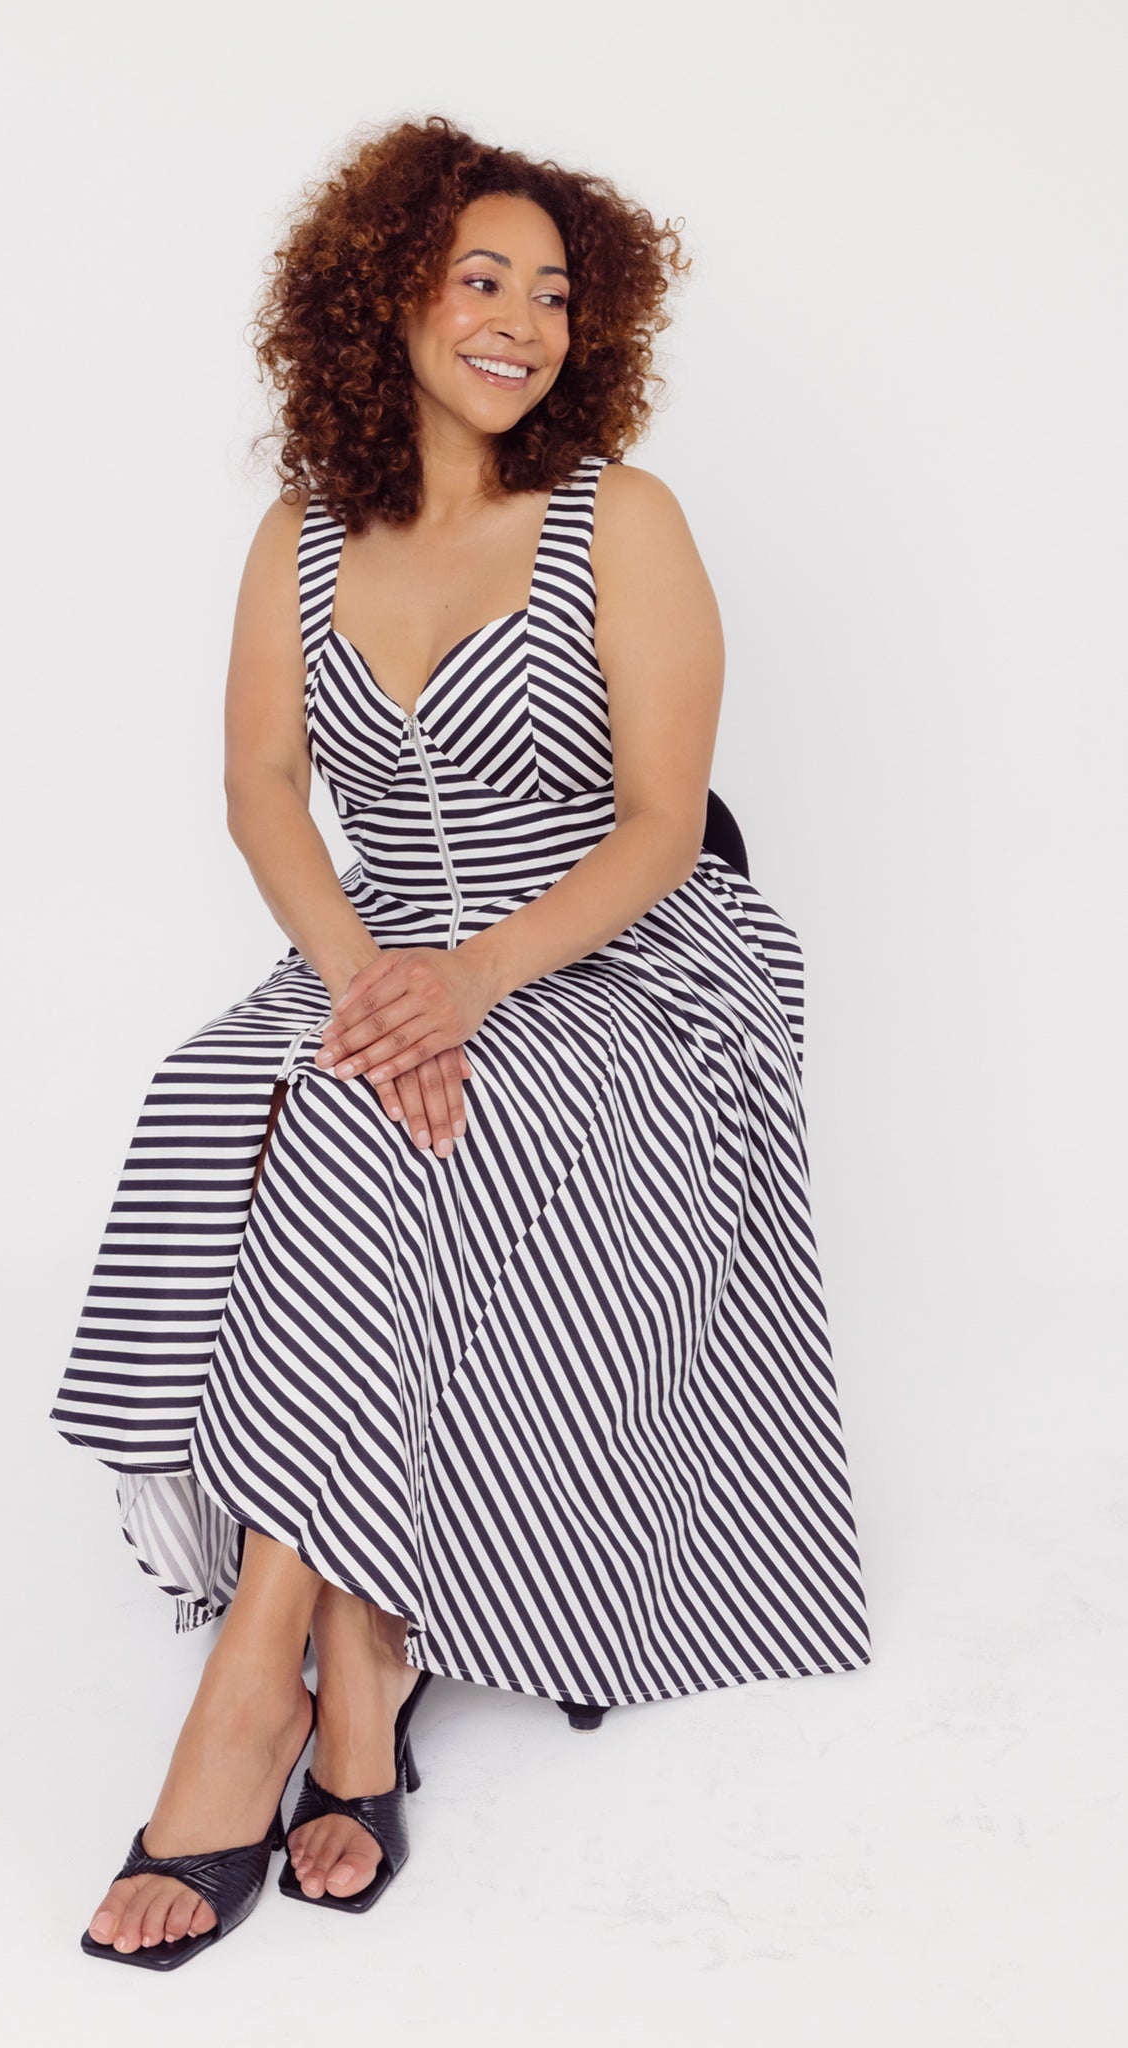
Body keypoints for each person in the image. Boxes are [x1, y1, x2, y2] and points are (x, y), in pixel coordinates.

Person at [49, 113, 872, 1968]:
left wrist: (470, 986)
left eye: (556, 293)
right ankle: (361, 1661)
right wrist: (366, 981)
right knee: (236, 1094)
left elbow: (663, 823)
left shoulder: (619, 518)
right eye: (479, 277)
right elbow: (265, 792)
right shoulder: (304, 531)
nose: (520, 320)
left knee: (367, 1131)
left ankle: (262, 1687)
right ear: (385, 297)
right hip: (377, 949)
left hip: (620, 959)